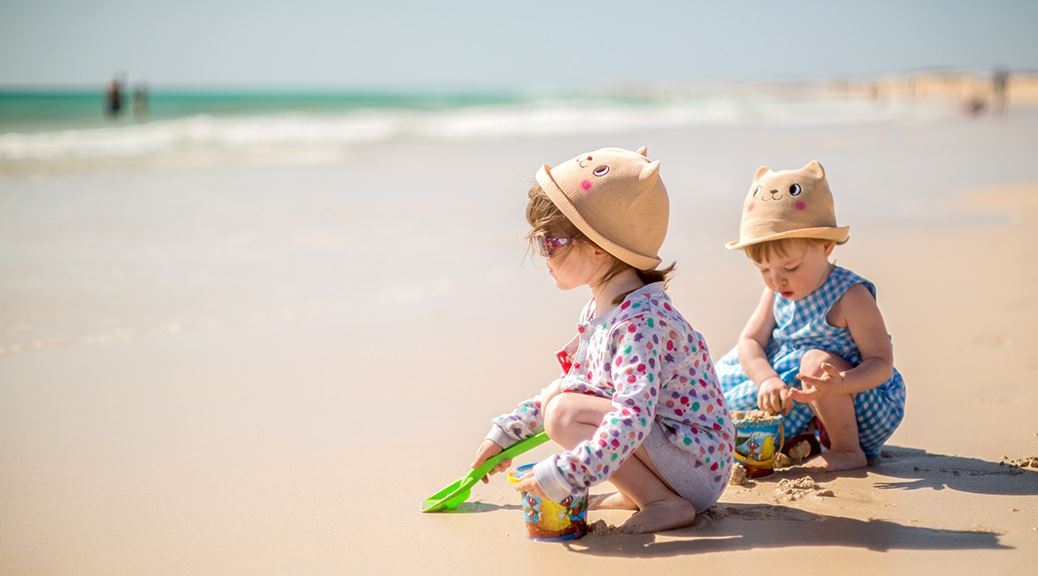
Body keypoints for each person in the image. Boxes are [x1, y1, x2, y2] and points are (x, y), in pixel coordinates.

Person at [471, 146, 735, 534]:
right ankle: (643, 491)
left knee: (563, 414)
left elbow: (632, 416)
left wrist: (566, 475)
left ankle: (663, 500)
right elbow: (573, 387)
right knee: (564, 401)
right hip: (678, 455)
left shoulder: (638, 324)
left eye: (550, 243)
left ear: (597, 250)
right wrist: (507, 434)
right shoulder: (605, 310)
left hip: (696, 465)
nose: (543, 255)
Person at [715, 161, 906, 472]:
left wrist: (837, 385)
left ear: (826, 246)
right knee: (722, 393)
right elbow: (750, 341)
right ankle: (798, 438)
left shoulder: (850, 296)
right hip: (803, 403)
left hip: (861, 404)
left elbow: (881, 365)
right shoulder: (777, 292)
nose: (778, 281)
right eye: (764, 270)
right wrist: (766, 380)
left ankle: (846, 451)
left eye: (790, 268)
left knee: (816, 362)